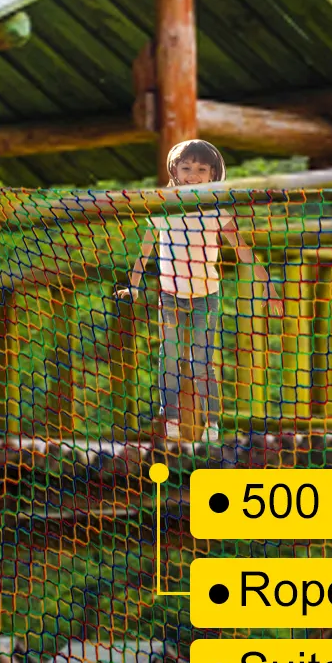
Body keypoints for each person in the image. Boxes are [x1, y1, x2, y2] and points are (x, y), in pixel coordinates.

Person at [117, 139, 274, 441]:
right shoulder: (165, 207)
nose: (193, 175)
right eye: (186, 168)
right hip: (170, 295)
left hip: (206, 295)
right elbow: (145, 252)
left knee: (202, 362)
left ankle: (212, 427)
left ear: (213, 174)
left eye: (201, 169)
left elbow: (241, 247)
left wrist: (266, 283)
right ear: (174, 170)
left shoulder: (216, 209)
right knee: (170, 358)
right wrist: (134, 286)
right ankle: (171, 420)